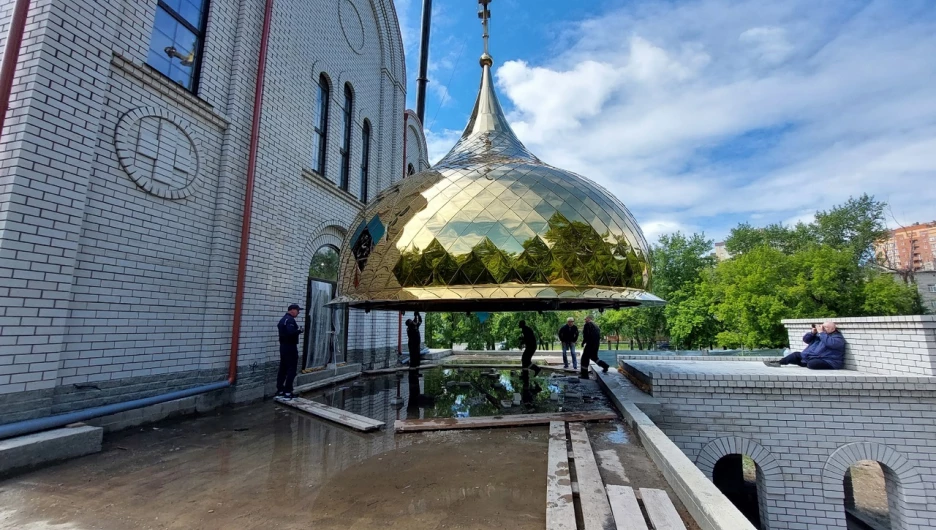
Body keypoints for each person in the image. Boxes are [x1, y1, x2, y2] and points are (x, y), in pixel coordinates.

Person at [764, 321, 846, 370]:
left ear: (833, 329)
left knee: (812, 364)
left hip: (829, 361)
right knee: (796, 355)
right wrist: (812, 333)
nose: (823, 329)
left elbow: (830, 343)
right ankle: (778, 362)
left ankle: (806, 363)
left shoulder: (838, 338)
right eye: (823, 327)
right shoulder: (821, 335)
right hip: (813, 357)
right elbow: (806, 340)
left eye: (826, 328)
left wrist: (821, 333)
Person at [276, 304, 303, 400]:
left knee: (283, 368)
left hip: (283, 347)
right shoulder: (289, 320)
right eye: (297, 310)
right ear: (292, 310)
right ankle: (287, 392)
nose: (298, 312)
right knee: (291, 369)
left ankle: (280, 390)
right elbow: (290, 332)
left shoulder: (283, 319)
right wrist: (299, 330)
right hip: (290, 347)